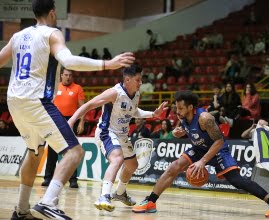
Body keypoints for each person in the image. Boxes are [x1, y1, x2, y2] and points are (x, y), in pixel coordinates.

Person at [0, 0, 135, 219]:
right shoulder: (52, 34)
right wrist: (107, 64)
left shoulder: (18, 36)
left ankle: (22, 210)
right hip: (36, 101)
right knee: (75, 151)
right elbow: (69, 60)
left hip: (14, 101)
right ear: (53, 12)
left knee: (35, 152)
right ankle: (48, 202)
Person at [132, 90, 269, 218]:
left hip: (218, 150)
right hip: (200, 149)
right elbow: (194, 132)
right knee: (174, 167)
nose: (177, 112)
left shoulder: (205, 118)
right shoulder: (184, 117)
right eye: (176, 108)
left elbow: (219, 140)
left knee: (237, 181)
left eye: (180, 108)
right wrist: (182, 133)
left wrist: (203, 161)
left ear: (191, 107)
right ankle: (151, 201)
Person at [68, 64, 168, 212]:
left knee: (132, 166)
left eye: (141, 80)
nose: (141, 83)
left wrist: (153, 114)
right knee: (117, 159)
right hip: (106, 131)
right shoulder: (114, 93)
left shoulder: (136, 94)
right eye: (138, 80)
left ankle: (120, 193)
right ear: (127, 79)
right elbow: (89, 105)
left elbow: (133, 112)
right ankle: (104, 196)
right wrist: (71, 121)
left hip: (121, 134)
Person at [41, 68, 86, 189]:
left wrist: (81, 122)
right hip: (55, 119)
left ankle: (72, 180)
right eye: (66, 75)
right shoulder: (55, 87)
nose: (68, 77)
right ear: (61, 75)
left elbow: (82, 108)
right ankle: (48, 178)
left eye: (70, 75)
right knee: (52, 150)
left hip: (71, 121)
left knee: (72, 150)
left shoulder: (78, 88)